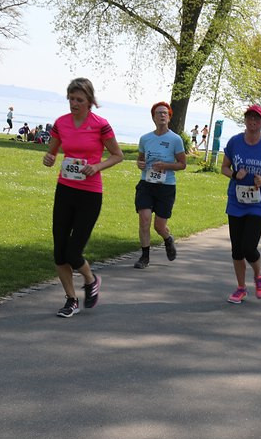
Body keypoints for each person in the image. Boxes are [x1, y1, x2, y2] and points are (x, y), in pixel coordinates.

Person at [42, 77, 124, 317]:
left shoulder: (100, 125)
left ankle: (90, 279)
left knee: (73, 252)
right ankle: (71, 300)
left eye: (79, 100)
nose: (74, 104)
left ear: (90, 101)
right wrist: (49, 158)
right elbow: (52, 152)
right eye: (71, 99)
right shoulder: (61, 123)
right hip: (65, 190)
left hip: (89, 194)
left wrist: (97, 167)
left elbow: (117, 155)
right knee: (59, 252)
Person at [222, 104, 261, 304]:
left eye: (256, 119)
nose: (252, 122)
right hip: (236, 201)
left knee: (249, 247)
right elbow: (224, 167)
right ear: (245, 121)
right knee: (237, 250)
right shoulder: (234, 142)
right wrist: (233, 174)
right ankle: (241, 288)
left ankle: (259, 275)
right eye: (249, 118)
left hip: (259, 203)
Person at [134, 101, 187, 269]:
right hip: (146, 184)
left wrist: (166, 166)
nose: (162, 115)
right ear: (153, 117)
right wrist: (140, 164)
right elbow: (141, 159)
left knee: (159, 226)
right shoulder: (145, 138)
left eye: (165, 113)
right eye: (159, 113)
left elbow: (182, 164)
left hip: (166, 186)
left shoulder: (175, 139)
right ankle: (144, 257)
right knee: (144, 219)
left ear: (169, 117)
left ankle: (167, 239)